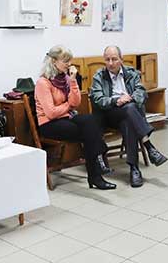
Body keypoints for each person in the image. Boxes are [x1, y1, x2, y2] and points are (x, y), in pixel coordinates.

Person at [36, 45, 115, 190]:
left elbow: (76, 102)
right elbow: (51, 113)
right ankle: (97, 167)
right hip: (49, 124)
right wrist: (68, 106)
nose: (69, 64)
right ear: (53, 61)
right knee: (89, 133)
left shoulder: (65, 78)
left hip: (66, 118)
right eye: (65, 61)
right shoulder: (43, 83)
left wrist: (73, 81)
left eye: (69, 60)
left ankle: (96, 172)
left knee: (91, 120)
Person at [89, 46, 168, 187]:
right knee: (130, 110)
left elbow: (141, 92)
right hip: (109, 114)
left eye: (114, 59)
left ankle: (134, 168)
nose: (111, 63)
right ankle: (149, 146)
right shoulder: (99, 76)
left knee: (129, 120)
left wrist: (129, 99)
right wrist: (116, 101)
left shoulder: (131, 73)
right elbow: (97, 99)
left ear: (121, 59)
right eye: (107, 59)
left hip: (128, 114)